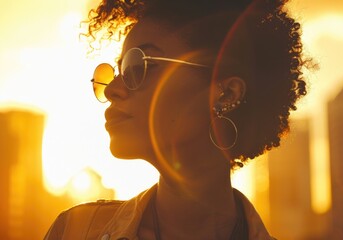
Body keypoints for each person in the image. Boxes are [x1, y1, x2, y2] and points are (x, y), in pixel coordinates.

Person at [45, 0, 309, 239]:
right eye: (118, 69)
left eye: (137, 67)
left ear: (225, 94)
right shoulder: (75, 231)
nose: (112, 88)